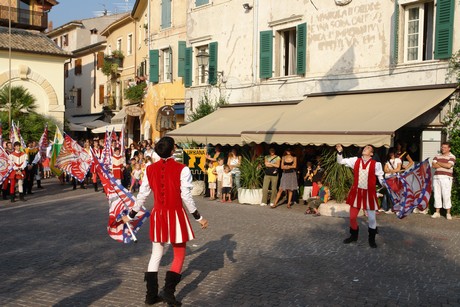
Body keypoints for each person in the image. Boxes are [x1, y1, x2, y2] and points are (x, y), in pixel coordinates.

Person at [122, 136, 208, 306]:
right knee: (179, 254)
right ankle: (168, 293)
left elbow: (142, 196)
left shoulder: (150, 169)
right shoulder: (182, 169)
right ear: (172, 150)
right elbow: (186, 197)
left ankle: (151, 296)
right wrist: (199, 217)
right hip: (175, 215)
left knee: (156, 255)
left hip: (159, 215)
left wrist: (131, 216)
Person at [336, 144, 385, 248]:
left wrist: (384, 183)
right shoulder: (355, 160)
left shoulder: (376, 164)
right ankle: (354, 236)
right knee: (353, 217)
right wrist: (340, 152)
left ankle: (371, 240)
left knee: (371, 219)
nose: (365, 148)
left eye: (368, 148)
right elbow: (340, 161)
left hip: (369, 194)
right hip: (356, 193)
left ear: (371, 153)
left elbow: (380, 177)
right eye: (365, 147)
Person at [431, 142, 456, 220]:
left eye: (445, 147)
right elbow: (433, 165)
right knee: (437, 195)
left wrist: (438, 163)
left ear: (449, 148)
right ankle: (437, 212)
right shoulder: (437, 156)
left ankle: (448, 213)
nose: (443, 149)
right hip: (436, 177)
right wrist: (443, 164)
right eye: (442, 147)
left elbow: (449, 166)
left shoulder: (452, 156)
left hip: (446, 178)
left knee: (446, 195)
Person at [381, 148, 401, 214]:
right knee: (389, 193)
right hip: (388, 178)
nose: (391, 154)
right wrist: (392, 171)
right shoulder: (388, 161)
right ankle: (390, 208)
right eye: (390, 152)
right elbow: (385, 169)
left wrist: (390, 171)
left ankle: (397, 208)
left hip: (395, 178)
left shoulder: (398, 159)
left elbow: (398, 168)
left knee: (396, 193)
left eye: (392, 152)